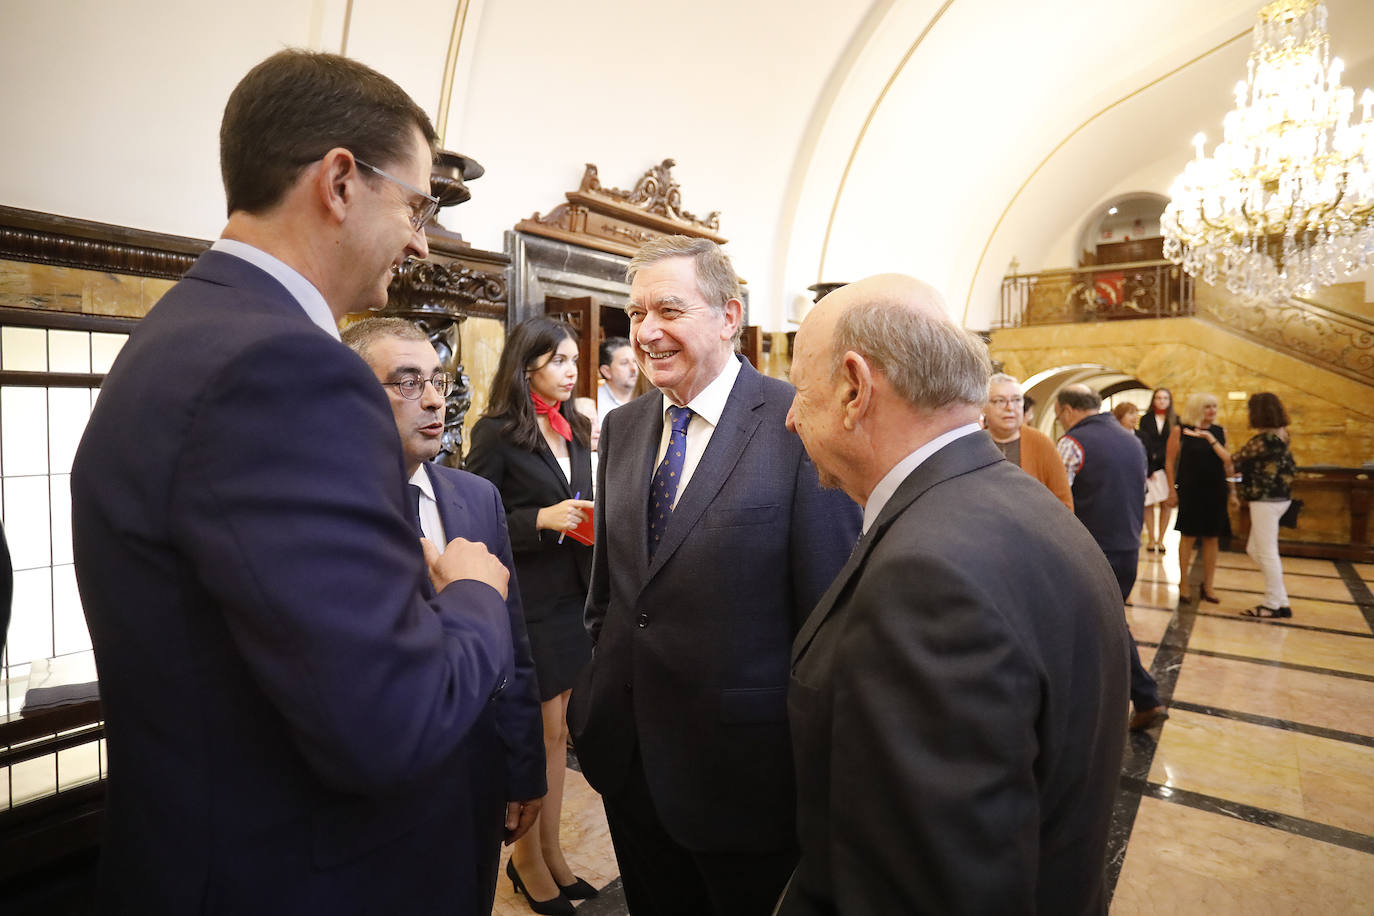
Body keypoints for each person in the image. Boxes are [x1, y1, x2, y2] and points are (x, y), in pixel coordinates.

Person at [69, 50, 516, 913]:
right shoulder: (288, 368)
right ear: (341, 181)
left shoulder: (180, 332)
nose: (423, 239)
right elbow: (390, 720)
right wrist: (472, 595)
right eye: (418, 204)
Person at [777, 274, 1129, 915]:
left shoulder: (926, 579)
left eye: (801, 390)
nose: (790, 415)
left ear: (855, 388)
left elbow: (928, 886)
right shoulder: (1026, 506)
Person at [568, 236, 860, 916]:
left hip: (745, 777)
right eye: (635, 314)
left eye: (668, 309)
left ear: (730, 316)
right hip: (629, 758)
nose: (645, 332)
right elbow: (610, 592)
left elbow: (830, 623)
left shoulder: (796, 421)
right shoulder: (626, 426)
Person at [342, 316, 547, 910]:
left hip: (475, 780)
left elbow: (513, 643)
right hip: (378, 793)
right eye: (406, 382)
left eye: (437, 379)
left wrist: (524, 767)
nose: (434, 399)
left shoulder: (475, 497)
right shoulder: (333, 512)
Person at [466, 317, 597, 916]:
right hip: (532, 599)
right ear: (527, 367)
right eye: (559, 361)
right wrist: (538, 520)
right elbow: (474, 516)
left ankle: (554, 855)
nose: (572, 370)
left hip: (575, 596)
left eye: (574, 360)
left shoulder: (577, 427)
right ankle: (525, 860)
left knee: (561, 731)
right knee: (542, 732)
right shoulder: (496, 433)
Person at [1055, 385, 1168, 732]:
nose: (1061, 422)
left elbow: (1058, 499)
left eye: (1060, 415)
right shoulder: (1131, 440)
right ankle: (1114, 697)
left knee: (1102, 626)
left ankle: (1144, 697)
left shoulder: (1073, 444)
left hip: (1089, 549)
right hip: (1127, 546)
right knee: (1101, 624)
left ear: (1070, 410)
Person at [1166, 392, 1237, 604]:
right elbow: (1170, 463)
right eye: (1207, 407)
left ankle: (1209, 585)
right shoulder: (1180, 431)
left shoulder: (1219, 431)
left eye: (1214, 406)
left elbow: (1229, 463)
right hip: (1190, 490)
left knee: (1212, 538)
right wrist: (1172, 490)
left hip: (1215, 490)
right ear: (1197, 409)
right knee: (1187, 536)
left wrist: (1233, 492)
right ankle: (1184, 583)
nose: (1212, 411)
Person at [1234, 393, 1296, 619]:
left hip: (1265, 500)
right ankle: (1281, 599)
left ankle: (1272, 604)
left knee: (1268, 552)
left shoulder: (1263, 440)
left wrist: (1212, 443)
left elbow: (1235, 458)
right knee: (1255, 549)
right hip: (1280, 498)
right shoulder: (1283, 435)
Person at [981, 372, 1072, 509]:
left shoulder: (1041, 443)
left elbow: (1064, 503)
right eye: (1000, 400)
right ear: (983, 407)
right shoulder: (973, 444)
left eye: (1016, 400)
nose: (1010, 407)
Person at [1137, 387, 1177, 552]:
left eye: (1165, 398)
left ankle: (1161, 539)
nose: (1161, 401)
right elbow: (1144, 441)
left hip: (1167, 466)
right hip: (1151, 466)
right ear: (1154, 400)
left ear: (1169, 401)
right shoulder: (1146, 419)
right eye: (1158, 398)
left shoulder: (1175, 420)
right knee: (1150, 503)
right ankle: (1151, 539)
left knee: (1166, 504)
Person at [597, 335, 638, 418]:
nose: (634, 368)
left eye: (635, 361)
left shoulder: (646, 397)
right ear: (606, 371)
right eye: (624, 363)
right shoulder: (596, 401)